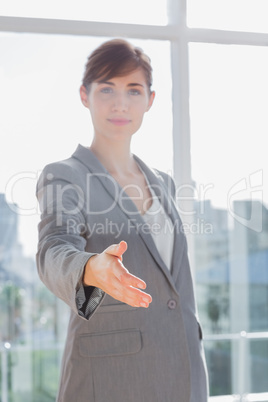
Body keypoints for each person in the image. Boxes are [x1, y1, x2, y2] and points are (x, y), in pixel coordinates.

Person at [36, 38, 208, 402]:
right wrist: (90, 268)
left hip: (184, 370)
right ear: (84, 95)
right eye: (107, 88)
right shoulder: (64, 176)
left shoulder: (163, 182)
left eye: (133, 90)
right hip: (111, 380)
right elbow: (54, 248)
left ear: (150, 100)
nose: (120, 103)